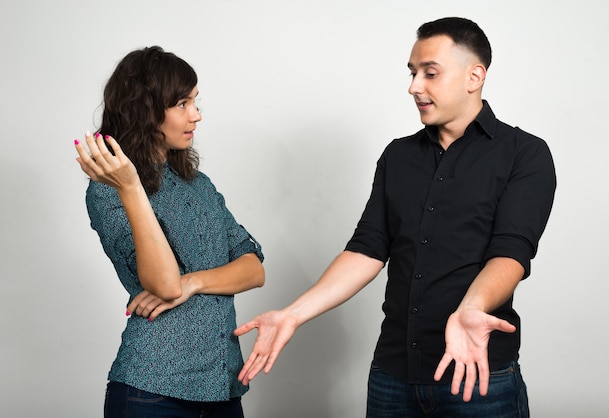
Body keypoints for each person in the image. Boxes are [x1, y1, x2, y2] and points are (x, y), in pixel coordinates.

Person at [234, 17, 556, 417]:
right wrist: (292, 314)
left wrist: (471, 309)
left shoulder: (524, 154)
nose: (414, 86)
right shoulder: (398, 156)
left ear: (474, 76)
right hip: (392, 377)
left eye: (430, 73)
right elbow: (368, 249)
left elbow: (511, 252)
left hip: (478, 377)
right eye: (412, 72)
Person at [74, 46, 265, 418]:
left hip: (223, 385)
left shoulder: (199, 184)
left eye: (195, 102)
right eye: (182, 103)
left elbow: (254, 270)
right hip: (153, 390)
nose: (196, 115)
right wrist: (130, 186)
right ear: (145, 110)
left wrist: (192, 281)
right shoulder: (108, 190)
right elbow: (163, 285)